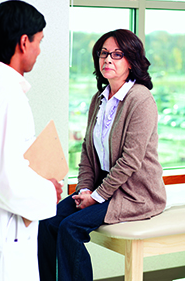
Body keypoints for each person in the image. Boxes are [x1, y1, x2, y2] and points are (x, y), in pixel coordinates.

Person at [38, 29, 167, 281]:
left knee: (70, 228)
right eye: (104, 53)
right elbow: (88, 150)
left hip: (134, 193)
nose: (108, 59)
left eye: (117, 54)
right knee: (47, 223)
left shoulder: (141, 99)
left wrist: (96, 197)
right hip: (103, 187)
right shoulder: (99, 99)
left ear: (131, 61)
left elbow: (130, 161)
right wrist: (85, 189)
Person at [0, 0, 63, 281]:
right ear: (24, 42)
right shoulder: (7, 97)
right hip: (4, 234)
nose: (40, 50)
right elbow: (5, 178)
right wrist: (48, 189)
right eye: (39, 41)